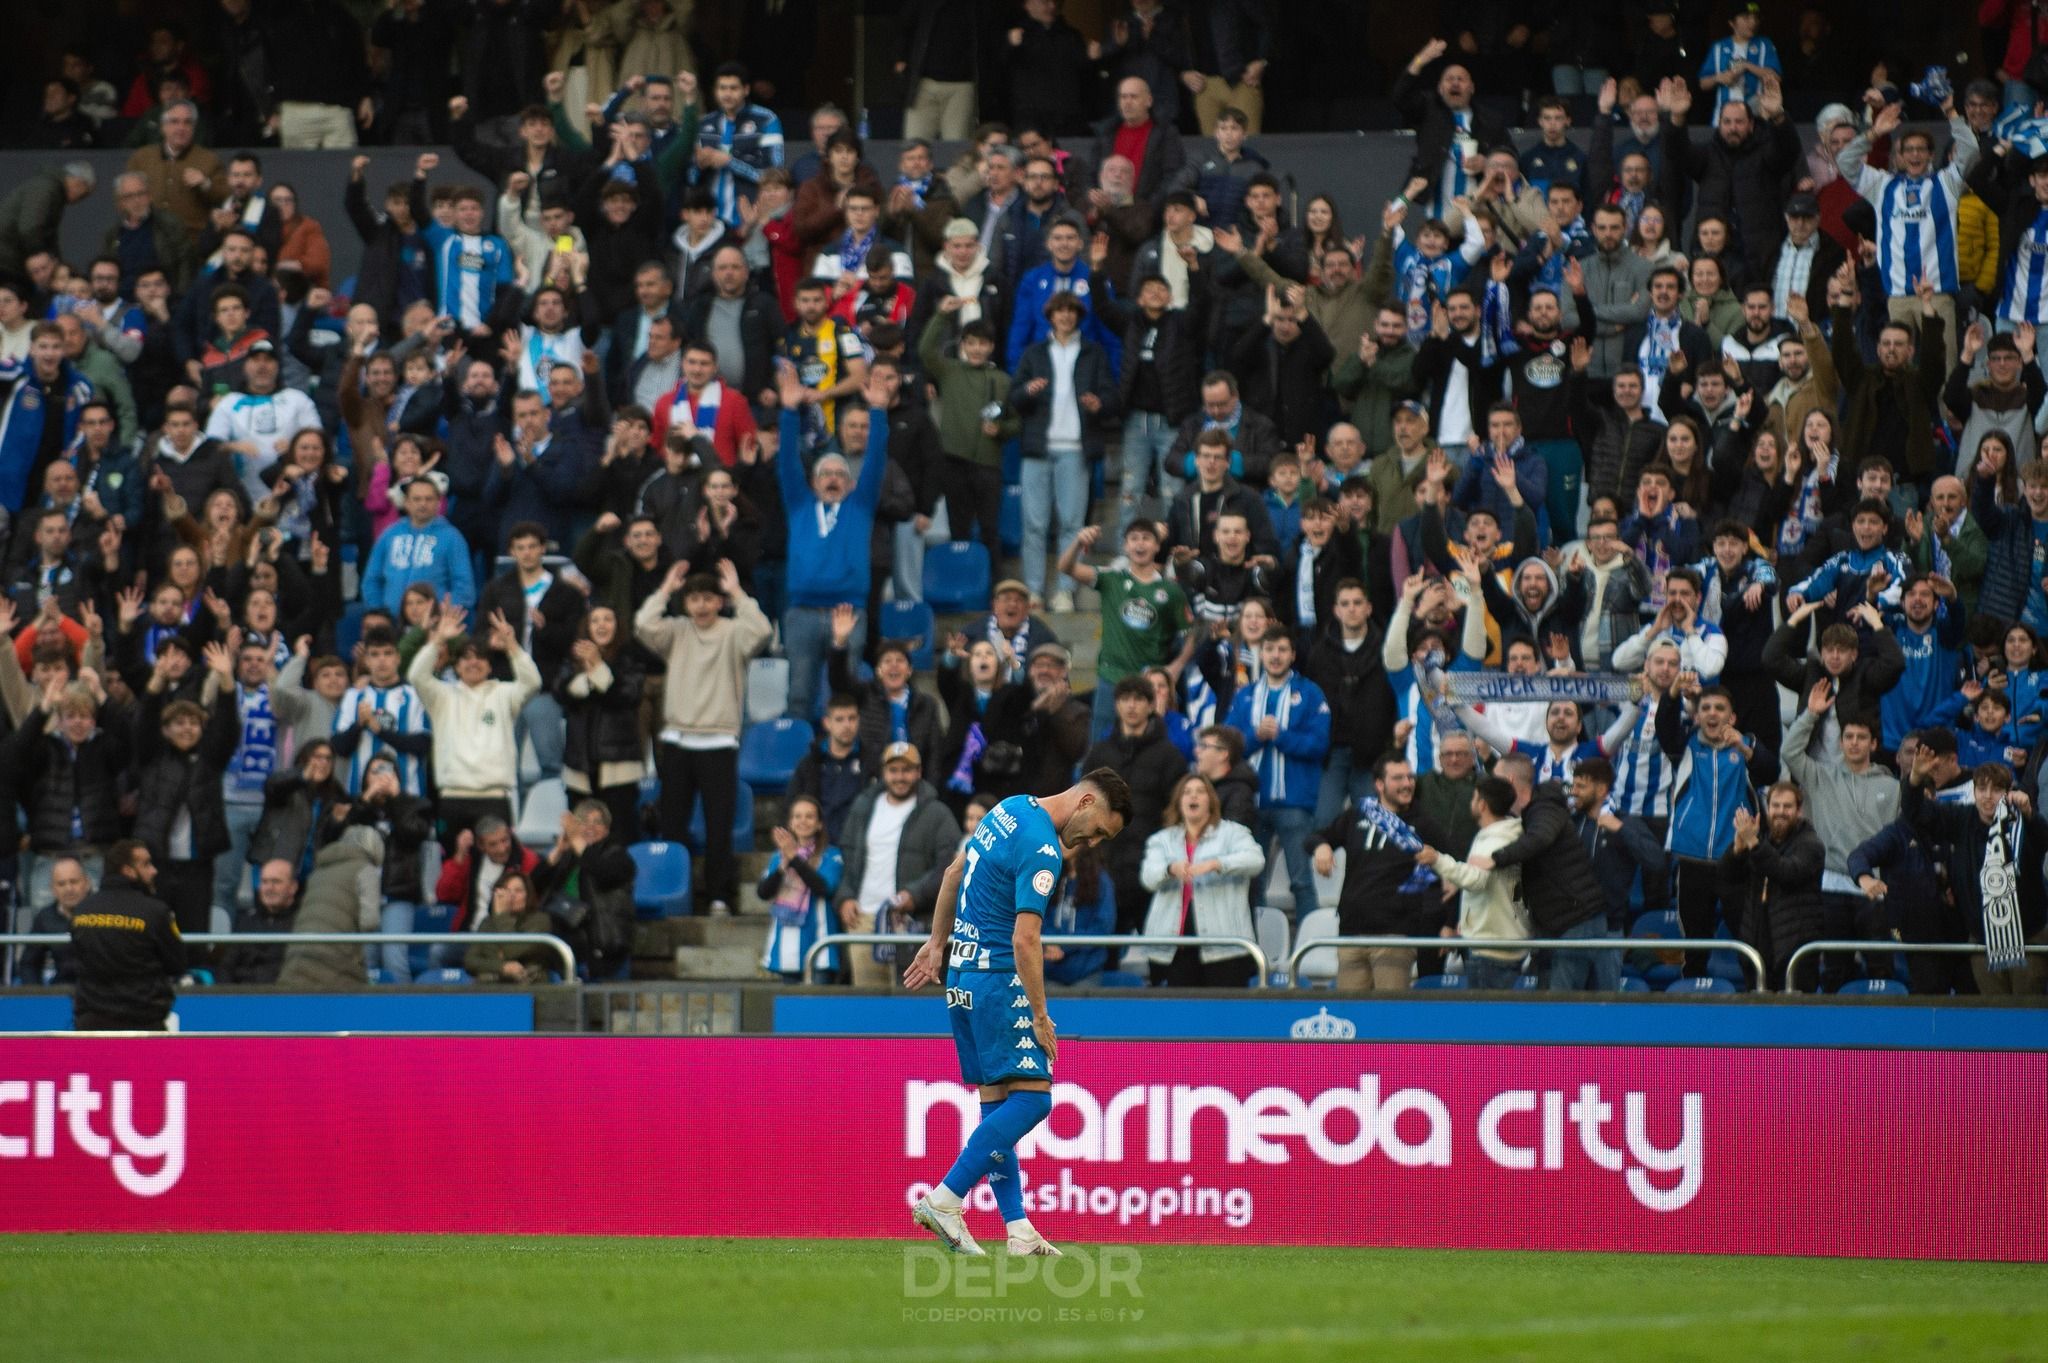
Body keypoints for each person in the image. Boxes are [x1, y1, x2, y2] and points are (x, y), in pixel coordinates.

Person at [904, 768, 1134, 1259]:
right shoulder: (1044, 847)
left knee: (997, 1103)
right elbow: (1025, 938)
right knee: (1033, 1101)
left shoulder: (1007, 809)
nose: (1091, 842)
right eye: (1097, 830)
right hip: (996, 981)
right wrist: (1039, 1014)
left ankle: (1018, 1229)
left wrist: (937, 942)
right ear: (1087, 800)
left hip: (962, 978)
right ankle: (946, 1198)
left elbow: (953, 873)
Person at [635, 558, 773, 915]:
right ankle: (674, 894)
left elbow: (761, 631)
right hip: (677, 740)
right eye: (694, 599)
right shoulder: (677, 630)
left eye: (708, 598)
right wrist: (665, 588)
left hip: (719, 741)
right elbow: (642, 624)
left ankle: (718, 897)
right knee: (672, 825)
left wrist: (738, 592)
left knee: (719, 827)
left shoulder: (732, 631)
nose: (700, 605)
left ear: (718, 601)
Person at [408, 603, 542, 845]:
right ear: (456, 666)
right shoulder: (442, 696)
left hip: (494, 797)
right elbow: (416, 676)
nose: (473, 663)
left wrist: (512, 645)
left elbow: (533, 682)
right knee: (453, 868)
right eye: (466, 659)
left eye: (480, 658)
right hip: (452, 797)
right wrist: (438, 639)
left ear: (490, 666)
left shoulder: (504, 693)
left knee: (497, 870)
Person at [833, 742, 960, 988]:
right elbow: (846, 857)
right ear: (883, 772)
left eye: (907, 770)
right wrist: (846, 896)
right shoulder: (863, 806)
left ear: (919, 772)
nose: (900, 776)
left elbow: (949, 867)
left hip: (910, 922)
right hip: (863, 917)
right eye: (894, 770)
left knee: (910, 999)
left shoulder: (938, 813)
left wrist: (915, 894)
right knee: (867, 1003)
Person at [1139, 773, 1263, 987]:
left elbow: (1256, 860)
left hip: (1225, 948)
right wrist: (1170, 869)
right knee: (1180, 1017)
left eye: (1200, 792)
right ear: (1179, 801)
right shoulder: (1162, 839)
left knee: (1224, 1017)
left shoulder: (1234, 833)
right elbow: (1148, 877)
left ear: (1211, 800)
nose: (1193, 797)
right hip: (1175, 949)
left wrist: (1217, 864)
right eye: (1186, 793)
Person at [1420, 776, 1528, 989]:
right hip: (1502, 941)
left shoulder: (1494, 842)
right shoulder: (1504, 834)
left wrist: (1438, 860)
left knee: (1488, 1018)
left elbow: (1477, 880)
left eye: (1474, 798)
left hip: (1491, 948)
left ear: (1482, 805)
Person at [67, 840, 182, 1031]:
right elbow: (177, 963)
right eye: (146, 864)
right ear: (128, 870)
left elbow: (75, 962)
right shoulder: (155, 912)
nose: (154, 871)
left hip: (91, 1023)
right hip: (144, 1023)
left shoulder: (82, 912)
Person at [1722, 782, 1826, 991]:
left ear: (1799, 811)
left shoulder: (1811, 844)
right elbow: (1726, 878)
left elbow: (1786, 873)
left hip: (1795, 947)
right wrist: (1738, 849)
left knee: (1795, 1018)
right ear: (1767, 808)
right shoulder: (1759, 839)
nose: (1780, 812)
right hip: (1756, 943)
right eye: (1775, 806)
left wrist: (1753, 843)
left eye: (1787, 807)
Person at [275, 824, 384, 991]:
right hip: (336, 961)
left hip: (297, 959)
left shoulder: (318, 872)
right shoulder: (365, 870)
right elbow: (370, 921)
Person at [463, 868, 554, 984]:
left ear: (528, 895)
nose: (511, 896)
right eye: (506, 890)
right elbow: (470, 961)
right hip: (492, 988)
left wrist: (502, 916)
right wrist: (502, 967)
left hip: (530, 988)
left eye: (518, 891)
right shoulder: (488, 922)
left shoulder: (541, 920)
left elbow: (512, 950)